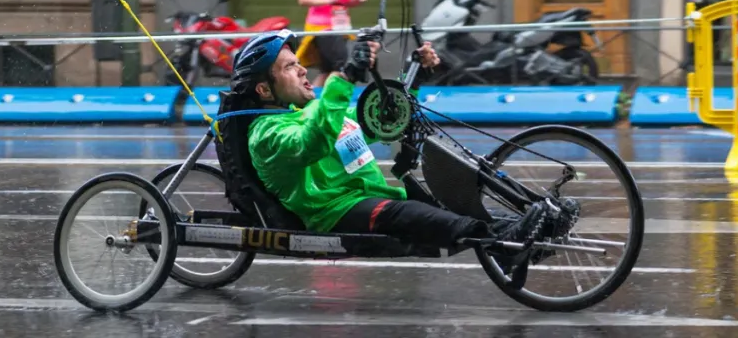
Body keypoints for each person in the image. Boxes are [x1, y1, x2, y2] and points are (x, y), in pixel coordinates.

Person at [229, 29, 549, 256]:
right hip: (335, 211)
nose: (302, 70)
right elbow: (313, 141)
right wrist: (343, 78)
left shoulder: (311, 111)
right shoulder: (265, 134)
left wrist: (417, 74)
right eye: (289, 67)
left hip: (370, 196)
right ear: (264, 90)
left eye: (298, 62)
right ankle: (503, 246)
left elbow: (379, 120)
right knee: (410, 214)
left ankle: (531, 227)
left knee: (454, 205)